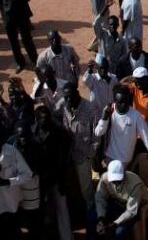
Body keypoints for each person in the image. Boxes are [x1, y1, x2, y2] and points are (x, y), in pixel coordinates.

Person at [94, 86, 148, 167]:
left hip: (126, 160)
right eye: (120, 102)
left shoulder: (136, 116)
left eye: (126, 102)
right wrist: (104, 118)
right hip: (110, 157)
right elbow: (98, 133)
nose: (123, 105)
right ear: (115, 101)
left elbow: (147, 138)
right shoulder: (109, 111)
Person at [33, 106, 73, 240]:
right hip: (39, 177)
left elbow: (63, 158)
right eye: (43, 119)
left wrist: (62, 180)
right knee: (40, 209)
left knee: (62, 208)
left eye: (48, 118)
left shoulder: (58, 133)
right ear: (36, 119)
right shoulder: (33, 132)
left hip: (56, 176)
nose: (46, 121)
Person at [59, 83, 98, 211]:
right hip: (71, 154)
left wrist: (90, 155)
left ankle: (91, 209)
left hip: (84, 156)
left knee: (85, 188)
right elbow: (66, 127)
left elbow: (97, 136)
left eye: (70, 97)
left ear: (77, 94)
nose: (68, 100)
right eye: (65, 98)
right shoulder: (66, 108)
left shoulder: (90, 109)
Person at [92, 160, 148, 240]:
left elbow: (131, 211)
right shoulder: (104, 177)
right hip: (116, 201)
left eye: (118, 179)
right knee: (92, 216)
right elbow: (100, 197)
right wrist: (101, 218)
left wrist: (115, 223)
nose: (115, 183)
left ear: (124, 174)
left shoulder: (135, 184)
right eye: (113, 180)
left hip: (133, 207)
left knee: (120, 232)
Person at [120, 67, 148, 137]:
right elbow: (121, 83)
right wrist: (132, 77)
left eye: (140, 80)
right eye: (135, 80)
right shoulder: (135, 87)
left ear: (146, 79)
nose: (137, 83)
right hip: (134, 134)